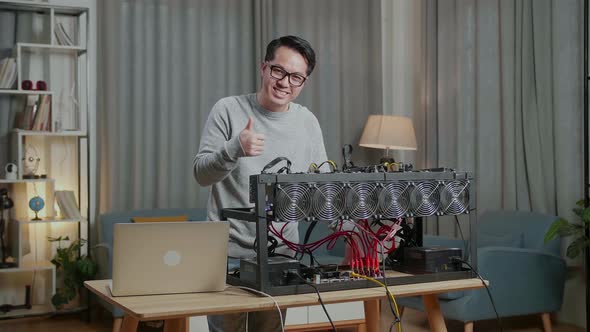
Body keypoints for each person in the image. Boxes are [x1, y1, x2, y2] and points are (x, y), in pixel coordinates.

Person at [193, 35, 327, 332]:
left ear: (304, 81)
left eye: (296, 77)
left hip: (282, 257)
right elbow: (201, 174)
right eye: (278, 71)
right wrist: (234, 149)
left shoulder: (307, 122)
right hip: (226, 257)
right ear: (263, 67)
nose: (284, 83)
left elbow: (321, 185)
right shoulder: (228, 110)